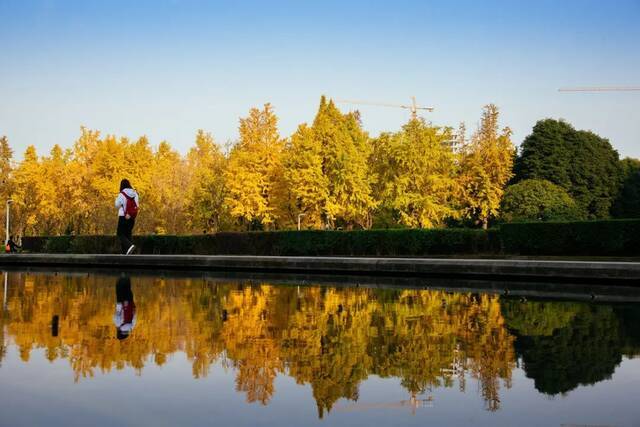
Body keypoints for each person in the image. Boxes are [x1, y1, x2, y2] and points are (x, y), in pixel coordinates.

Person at [115, 179, 139, 255]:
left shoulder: (122, 194)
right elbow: (137, 205)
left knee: (120, 233)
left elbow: (117, 205)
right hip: (132, 216)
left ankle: (130, 246)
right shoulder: (135, 193)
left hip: (123, 216)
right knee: (128, 234)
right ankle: (126, 254)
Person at [113, 275, 136, 340]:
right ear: (119, 333)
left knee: (128, 287)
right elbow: (117, 313)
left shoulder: (132, 326)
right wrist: (119, 303)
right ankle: (120, 275)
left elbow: (134, 313)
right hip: (121, 302)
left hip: (130, 302)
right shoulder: (118, 325)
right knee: (119, 285)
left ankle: (127, 275)